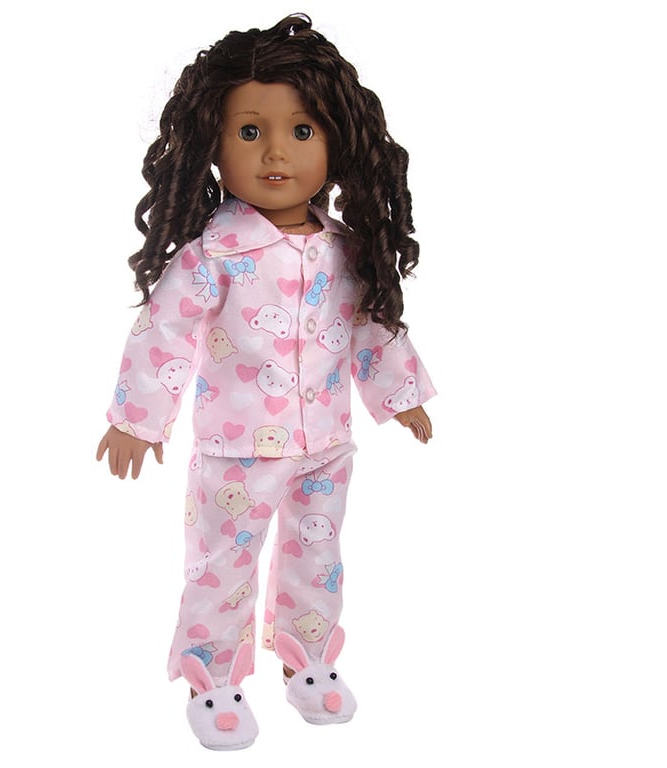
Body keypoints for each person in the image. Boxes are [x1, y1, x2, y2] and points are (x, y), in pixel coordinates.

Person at [96, 13, 436, 749]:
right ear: (212, 145)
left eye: (302, 130)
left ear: (338, 141)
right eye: (250, 132)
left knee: (319, 555)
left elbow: (372, 325)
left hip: (326, 444)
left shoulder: (347, 250)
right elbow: (164, 330)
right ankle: (211, 675)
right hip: (237, 449)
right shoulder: (213, 254)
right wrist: (137, 419)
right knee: (224, 565)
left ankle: (307, 660)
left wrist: (402, 396)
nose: (277, 152)